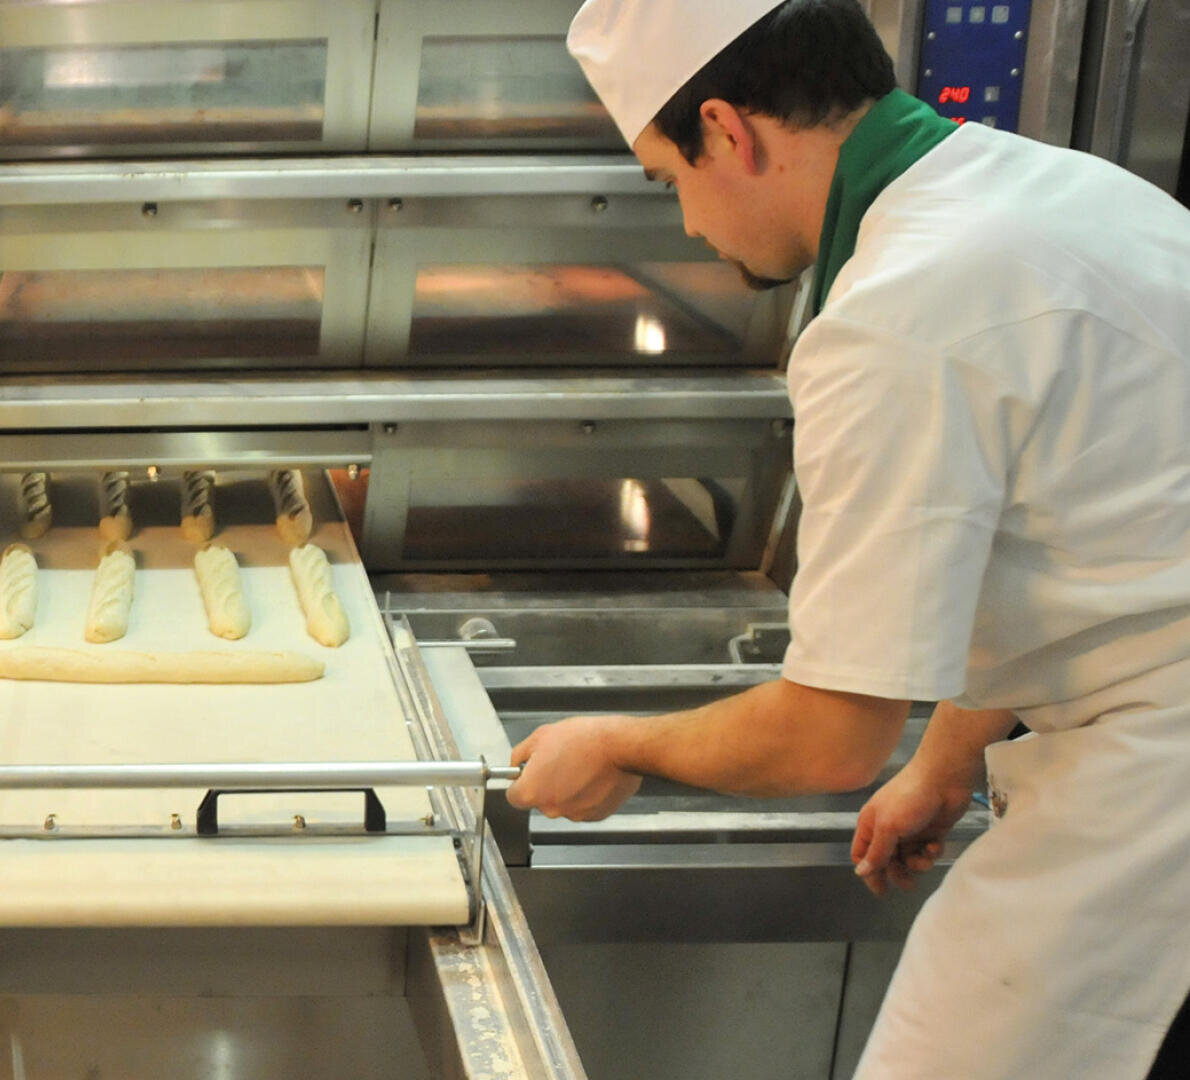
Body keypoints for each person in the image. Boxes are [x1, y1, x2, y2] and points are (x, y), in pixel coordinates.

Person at [503, 0, 1190, 1076]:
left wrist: (623, 744)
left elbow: (829, 739)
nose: (689, 226)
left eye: (670, 182)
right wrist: (949, 761)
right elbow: (1079, 539)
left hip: (1157, 788)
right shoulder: (1060, 190)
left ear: (726, 130)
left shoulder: (894, 315)